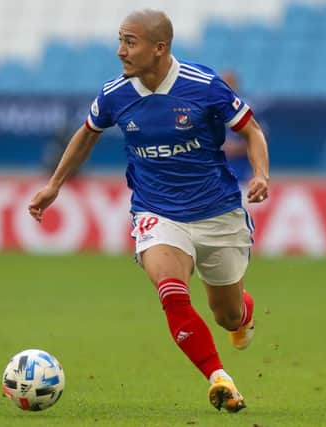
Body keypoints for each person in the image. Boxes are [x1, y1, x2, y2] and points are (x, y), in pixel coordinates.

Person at [28, 9, 269, 413]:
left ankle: (244, 311)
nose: (120, 51)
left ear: (159, 48)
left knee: (227, 316)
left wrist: (261, 172)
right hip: (157, 211)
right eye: (120, 40)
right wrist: (54, 185)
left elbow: (251, 130)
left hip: (217, 212)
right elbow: (86, 135)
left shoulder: (203, 85)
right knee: (172, 292)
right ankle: (219, 378)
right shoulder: (114, 94)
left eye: (130, 42)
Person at [220, 70, 253, 184]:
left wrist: (237, 147)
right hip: (215, 177)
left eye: (229, 82)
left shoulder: (246, 108)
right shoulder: (211, 108)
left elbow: (260, 137)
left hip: (241, 174)